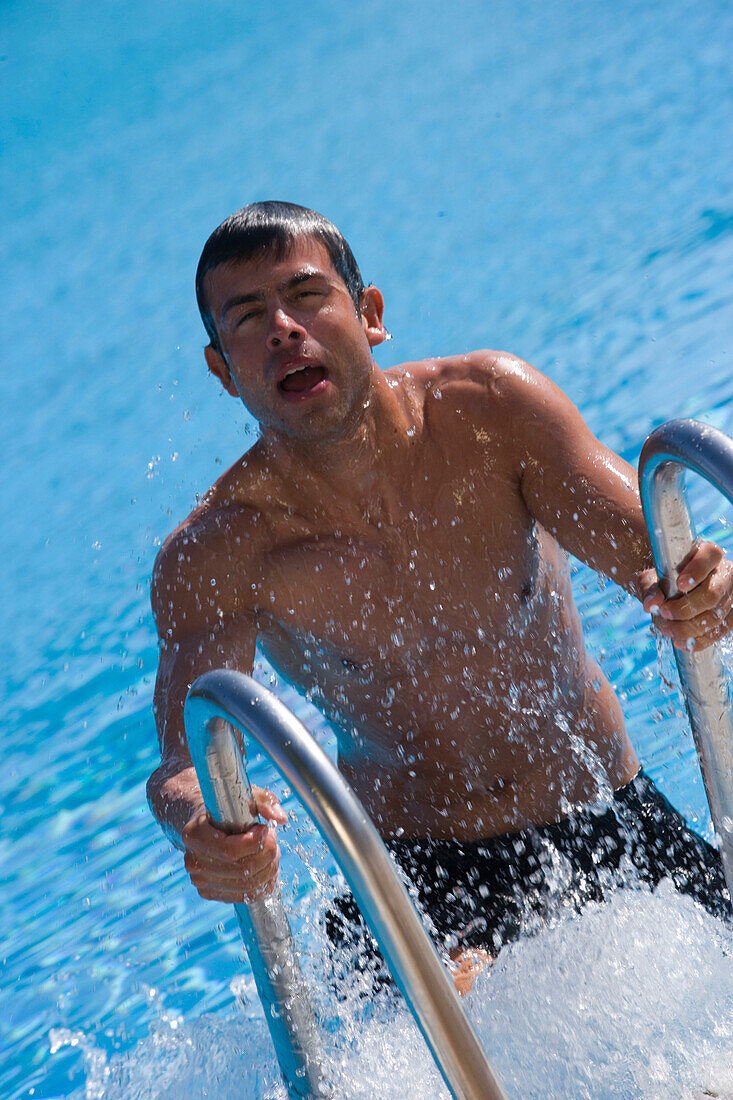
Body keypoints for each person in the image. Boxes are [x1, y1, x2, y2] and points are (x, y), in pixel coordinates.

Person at [147, 201, 732, 995]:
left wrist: (703, 585)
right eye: (249, 317)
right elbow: (186, 761)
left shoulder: (493, 411)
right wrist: (203, 821)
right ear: (222, 368)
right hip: (415, 880)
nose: (284, 329)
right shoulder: (219, 551)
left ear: (370, 314)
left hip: (603, 814)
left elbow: (657, 555)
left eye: (307, 295)